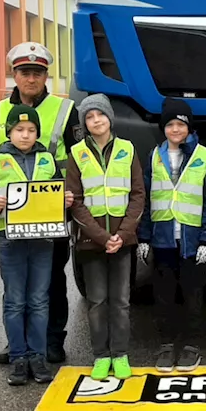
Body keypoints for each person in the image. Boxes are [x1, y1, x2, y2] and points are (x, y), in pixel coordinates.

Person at [0, 42, 80, 365]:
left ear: (45, 76)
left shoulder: (65, 110)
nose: (31, 78)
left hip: (51, 213)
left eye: (37, 73)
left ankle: (52, 340)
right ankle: (20, 344)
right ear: (14, 74)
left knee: (52, 280)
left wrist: (71, 202)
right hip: (13, 217)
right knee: (16, 286)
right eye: (25, 72)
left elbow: (77, 161)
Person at [0, 104, 74, 386]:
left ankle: (37, 357)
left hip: (42, 240)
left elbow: (57, 194)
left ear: (37, 133)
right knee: (16, 301)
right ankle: (18, 357)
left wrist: (64, 201)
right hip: (11, 242)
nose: (25, 135)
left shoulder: (48, 159)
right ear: (9, 132)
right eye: (19, 130)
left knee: (40, 301)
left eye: (31, 130)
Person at [66, 94, 145, 381]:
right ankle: (101, 355)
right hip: (91, 240)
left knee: (121, 300)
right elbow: (75, 201)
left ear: (109, 117)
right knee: (97, 301)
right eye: (89, 117)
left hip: (123, 241)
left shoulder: (127, 148)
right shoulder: (77, 153)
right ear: (84, 123)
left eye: (100, 115)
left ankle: (120, 354)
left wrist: (123, 235)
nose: (95, 120)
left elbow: (138, 195)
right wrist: (101, 236)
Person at [137, 97, 206, 373]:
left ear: (188, 127)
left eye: (180, 124)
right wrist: (144, 237)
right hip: (162, 238)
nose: (175, 129)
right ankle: (166, 345)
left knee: (193, 293)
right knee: (164, 294)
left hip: (192, 239)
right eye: (170, 124)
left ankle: (192, 346)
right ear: (164, 128)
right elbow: (148, 198)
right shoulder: (154, 155)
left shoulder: (204, 156)